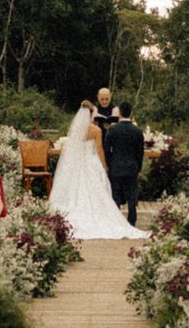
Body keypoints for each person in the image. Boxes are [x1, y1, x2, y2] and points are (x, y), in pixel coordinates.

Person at [46, 101, 140, 239]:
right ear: (91, 114)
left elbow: (72, 149)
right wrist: (105, 166)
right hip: (91, 163)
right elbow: (100, 150)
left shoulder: (76, 130)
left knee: (75, 191)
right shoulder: (96, 130)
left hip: (77, 164)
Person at [102, 104, 144, 226]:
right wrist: (138, 166)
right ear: (130, 113)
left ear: (119, 112)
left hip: (116, 166)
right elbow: (140, 151)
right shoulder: (137, 131)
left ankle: (116, 221)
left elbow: (107, 149)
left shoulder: (112, 130)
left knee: (116, 194)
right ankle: (131, 220)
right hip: (132, 167)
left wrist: (110, 164)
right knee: (132, 195)